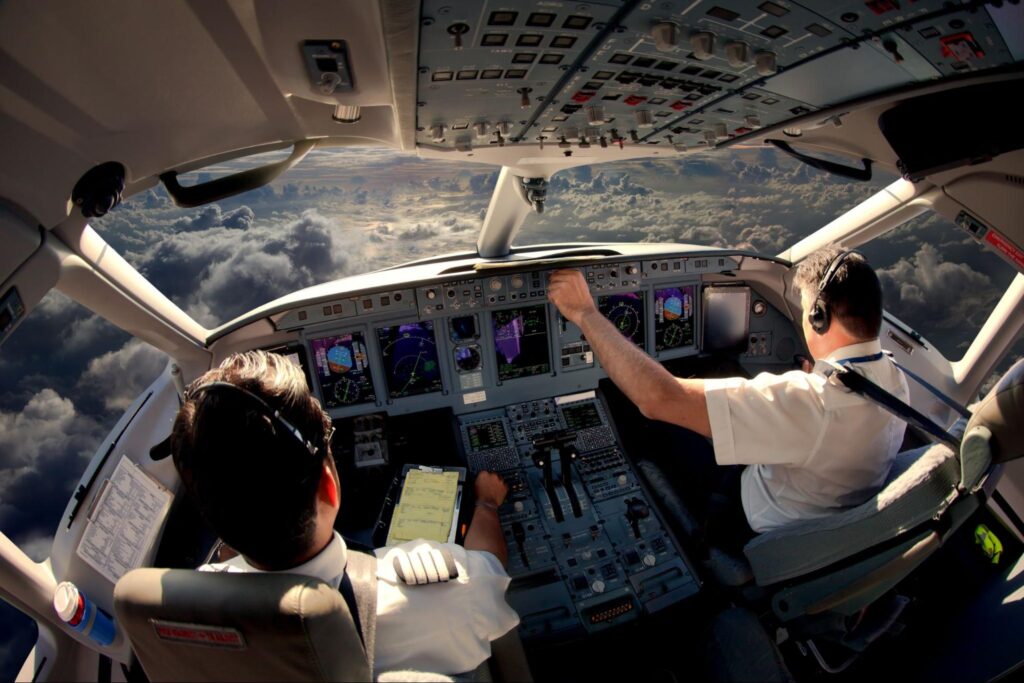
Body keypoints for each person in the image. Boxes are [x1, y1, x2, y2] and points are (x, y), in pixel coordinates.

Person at [171, 350, 518, 675]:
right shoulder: (447, 592)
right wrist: (487, 503)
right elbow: (490, 568)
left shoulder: (187, 620)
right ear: (329, 484)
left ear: (210, 513)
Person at [547, 247, 908, 548]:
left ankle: (694, 540)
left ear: (818, 317)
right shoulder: (893, 380)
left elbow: (657, 397)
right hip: (823, 514)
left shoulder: (809, 402)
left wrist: (585, 312)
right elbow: (830, 417)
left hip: (751, 521)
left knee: (653, 424)